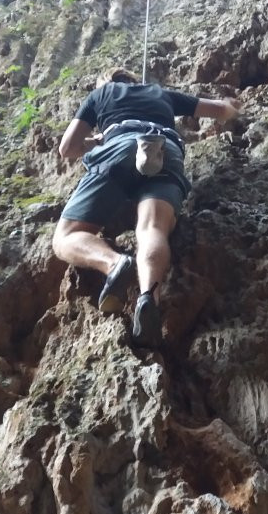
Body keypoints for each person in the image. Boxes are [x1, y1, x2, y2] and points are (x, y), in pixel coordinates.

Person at [53, 67, 241, 348]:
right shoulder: (161, 93)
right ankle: (147, 297)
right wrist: (234, 107)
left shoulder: (101, 93)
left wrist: (95, 141)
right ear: (132, 80)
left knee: (65, 236)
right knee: (153, 228)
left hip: (119, 148)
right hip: (164, 149)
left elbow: (67, 148)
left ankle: (115, 264)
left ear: (107, 82)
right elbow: (218, 110)